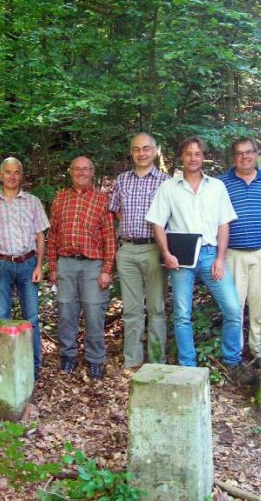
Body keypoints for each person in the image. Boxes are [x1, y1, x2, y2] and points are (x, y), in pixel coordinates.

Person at [146, 137, 244, 374]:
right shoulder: (169, 187)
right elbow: (157, 223)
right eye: (188, 153)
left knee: (232, 309)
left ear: (203, 157)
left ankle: (232, 361)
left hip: (211, 254)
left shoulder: (217, 187)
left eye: (197, 153)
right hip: (181, 258)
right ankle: (188, 366)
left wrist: (221, 258)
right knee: (182, 314)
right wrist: (166, 254)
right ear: (182, 156)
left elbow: (224, 224)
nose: (193, 158)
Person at [47, 156, 116, 380]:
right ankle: (68, 357)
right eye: (77, 169)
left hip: (93, 265)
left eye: (85, 169)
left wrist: (107, 269)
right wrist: (54, 267)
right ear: (70, 172)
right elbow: (53, 235)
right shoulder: (60, 198)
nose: (81, 173)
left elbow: (109, 238)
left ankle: (95, 359)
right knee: (66, 314)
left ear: (92, 172)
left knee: (94, 314)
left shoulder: (102, 200)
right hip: (65, 263)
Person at [0, 157, 50, 378]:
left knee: (32, 317)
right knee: (3, 315)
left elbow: (41, 236)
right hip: (1, 264)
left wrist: (39, 265)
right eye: (7, 172)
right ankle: (6, 363)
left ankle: (34, 365)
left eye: (16, 172)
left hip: (28, 263)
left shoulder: (32, 202)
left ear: (21, 175)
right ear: (0, 175)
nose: (12, 176)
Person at [109, 133, 170, 369]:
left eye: (146, 149)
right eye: (136, 149)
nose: (141, 153)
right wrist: (130, 228)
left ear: (155, 151)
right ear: (131, 152)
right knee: (132, 309)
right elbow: (115, 210)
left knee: (156, 308)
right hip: (127, 250)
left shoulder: (166, 182)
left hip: (154, 249)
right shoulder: (122, 180)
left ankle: (156, 360)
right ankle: (133, 360)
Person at [218, 138, 261, 363]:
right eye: (239, 153)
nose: (245, 157)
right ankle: (233, 357)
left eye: (249, 152)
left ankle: (259, 352)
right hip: (232, 254)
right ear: (233, 157)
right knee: (233, 309)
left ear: (257, 154)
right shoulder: (220, 183)